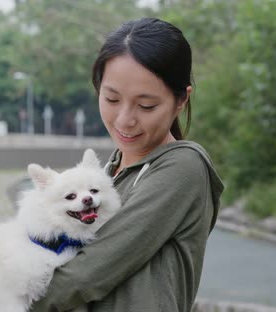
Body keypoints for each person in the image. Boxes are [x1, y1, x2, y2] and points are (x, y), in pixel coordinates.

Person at [31, 17, 224, 312]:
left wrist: (9, 300)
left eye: (146, 106)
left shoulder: (183, 168)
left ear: (181, 100)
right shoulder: (107, 174)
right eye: (111, 99)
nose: (124, 120)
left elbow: (87, 273)